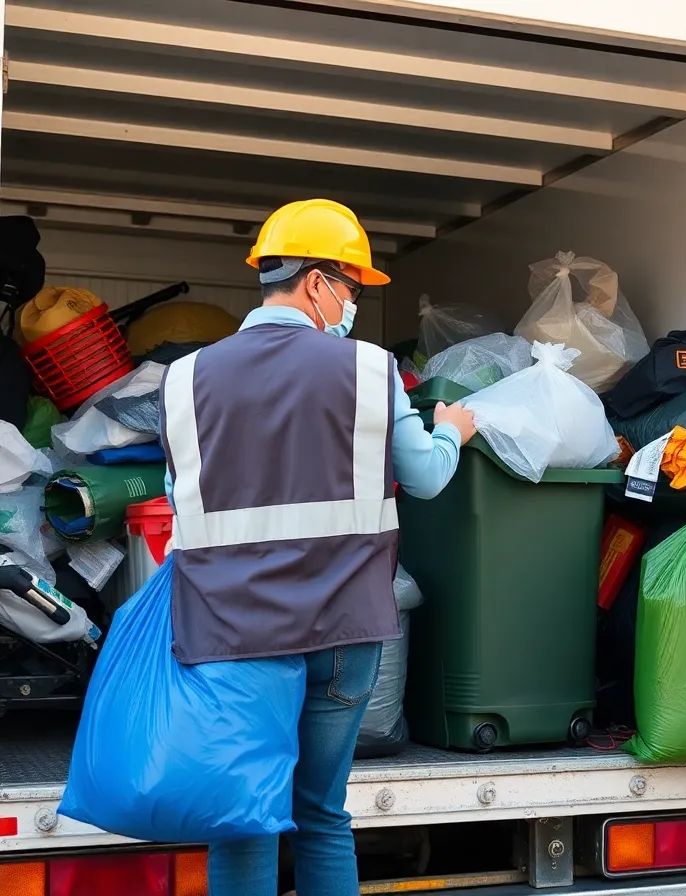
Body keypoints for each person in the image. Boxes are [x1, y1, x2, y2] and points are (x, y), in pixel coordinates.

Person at [158, 198, 476, 896]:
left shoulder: (182, 380)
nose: (353, 304)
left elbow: (179, 495)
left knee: (242, 819)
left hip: (230, 633)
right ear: (314, 282)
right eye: (353, 288)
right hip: (341, 628)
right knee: (321, 814)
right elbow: (423, 477)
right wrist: (452, 428)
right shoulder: (368, 370)